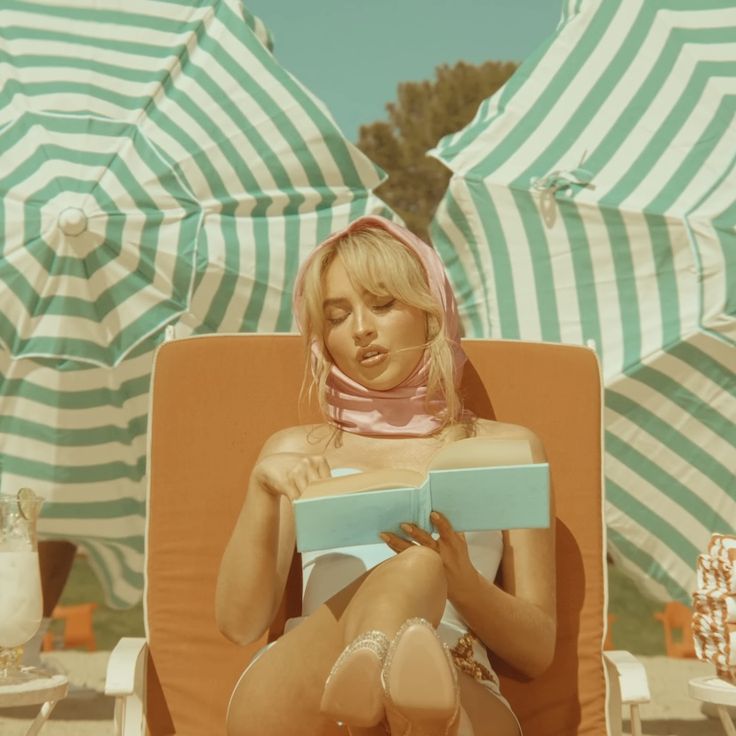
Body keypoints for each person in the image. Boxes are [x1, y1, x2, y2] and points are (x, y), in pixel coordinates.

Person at [216, 216, 556, 736]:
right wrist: (262, 495)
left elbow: (536, 652)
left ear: (430, 311)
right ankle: (374, 670)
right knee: (417, 566)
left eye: (382, 304)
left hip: (452, 680)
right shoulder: (294, 453)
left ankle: (389, 682)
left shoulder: (506, 450)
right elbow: (239, 625)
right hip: (307, 685)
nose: (360, 329)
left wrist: (460, 580)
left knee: (423, 569)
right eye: (336, 315)